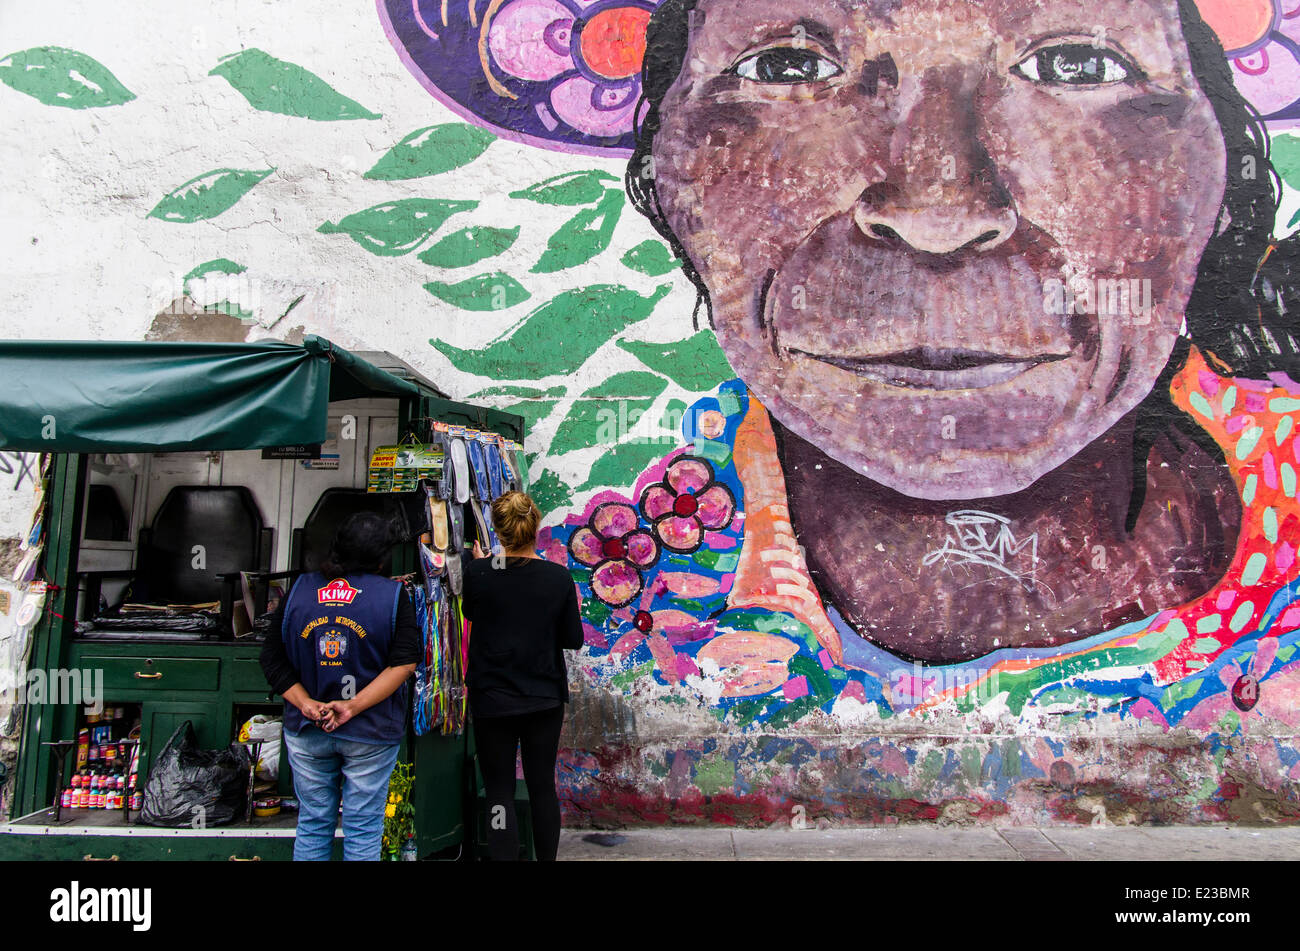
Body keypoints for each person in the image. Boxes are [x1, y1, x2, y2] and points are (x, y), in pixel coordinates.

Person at [259, 512, 420, 861]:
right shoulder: (392, 596)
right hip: (370, 731)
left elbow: (272, 660)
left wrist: (307, 704)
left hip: (308, 728)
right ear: (383, 556)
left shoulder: (300, 589)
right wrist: (352, 706)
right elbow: (405, 663)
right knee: (363, 828)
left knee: (314, 823)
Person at [463, 491, 584, 861]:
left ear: (498, 530)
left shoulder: (478, 573)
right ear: (536, 526)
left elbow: (470, 612)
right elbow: (573, 639)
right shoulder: (557, 578)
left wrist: (485, 566)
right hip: (542, 698)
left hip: (492, 698)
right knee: (541, 788)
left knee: (499, 790)